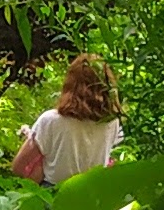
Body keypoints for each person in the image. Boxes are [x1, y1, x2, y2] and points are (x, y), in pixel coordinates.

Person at [13, 52, 124, 185]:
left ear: (71, 83)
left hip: (55, 193)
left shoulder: (51, 120)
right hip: (93, 195)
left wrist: (42, 169)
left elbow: (18, 167)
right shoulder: (112, 122)